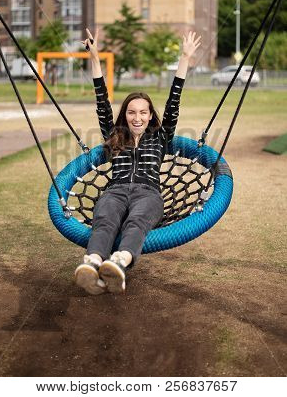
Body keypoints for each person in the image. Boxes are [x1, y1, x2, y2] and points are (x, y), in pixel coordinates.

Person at [75, 28, 201, 295]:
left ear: (149, 115)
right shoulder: (115, 135)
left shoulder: (161, 136)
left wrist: (184, 59)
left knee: (137, 221)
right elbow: (101, 99)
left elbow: (174, 100)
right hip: (116, 190)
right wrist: (95, 58)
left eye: (143, 112)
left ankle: (120, 261)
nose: (137, 117)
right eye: (132, 112)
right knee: (105, 218)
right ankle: (93, 261)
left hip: (149, 193)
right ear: (125, 115)